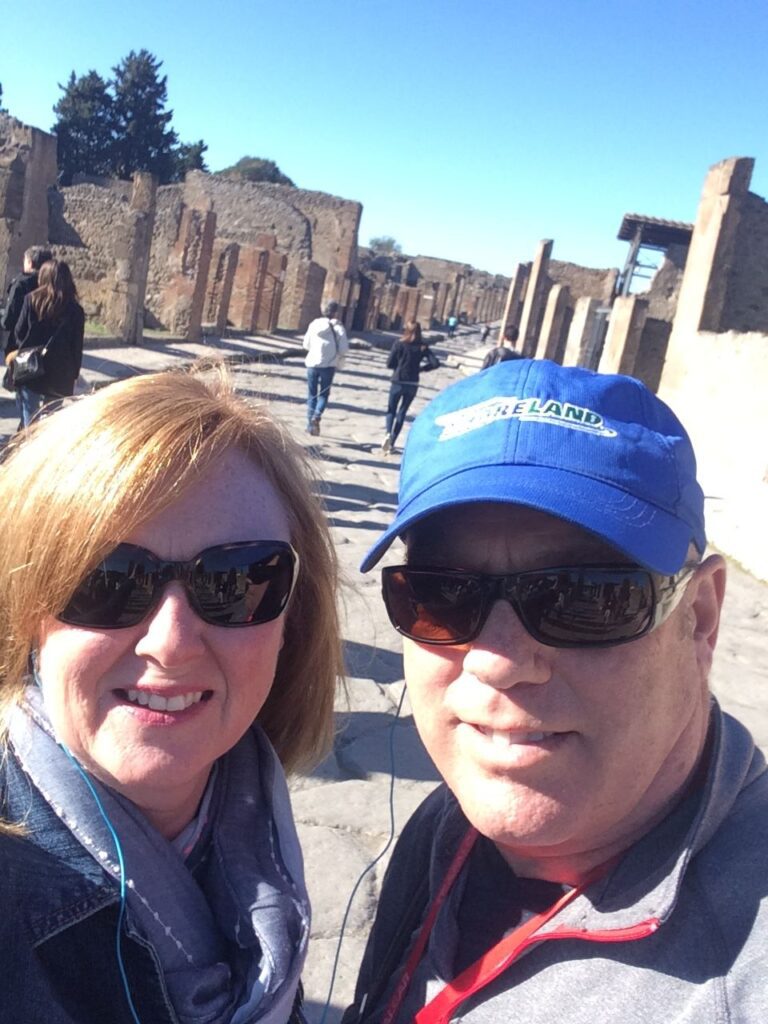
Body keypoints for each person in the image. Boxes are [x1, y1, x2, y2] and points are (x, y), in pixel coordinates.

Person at [347, 358, 767, 1022]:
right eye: (442, 594)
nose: (498, 661)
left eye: (585, 598)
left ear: (701, 617)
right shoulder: (447, 826)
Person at [0, 365, 344, 1024]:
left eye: (237, 580)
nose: (172, 643)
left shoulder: (246, 823)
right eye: (106, 580)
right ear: (25, 611)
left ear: (292, 622)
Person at [4, 258, 85, 428]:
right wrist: (75, 374)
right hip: (60, 373)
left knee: (30, 421)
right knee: (50, 422)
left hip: (31, 368)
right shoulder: (76, 310)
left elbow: (19, 332)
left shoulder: (31, 300)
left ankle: (28, 440)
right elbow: (77, 347)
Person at [380, 320, 437, 455]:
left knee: (391, 410)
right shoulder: (422, 347)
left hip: (398, 381)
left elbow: (389, 363)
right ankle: (392, 442)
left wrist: (398, 367)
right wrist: (421, 369)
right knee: (402, 412)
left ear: (406, 330)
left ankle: (388, 433)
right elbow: (435, 363)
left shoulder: (399, 344)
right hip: (412, 383)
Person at [302, 299, 349, 436]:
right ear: (336, 312)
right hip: (328, 365)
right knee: (323, 394)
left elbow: (305, 344)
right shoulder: (338, 328)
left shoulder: (314, 324)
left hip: (312, 364)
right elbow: (344, 349)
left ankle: (309, 425)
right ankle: (316, 416)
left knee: (312, 394)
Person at [0, 244, 53, 343]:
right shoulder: (53, 285)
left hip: (20, 344)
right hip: (46, 343)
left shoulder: (21, 284)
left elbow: (8, 321)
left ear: (30, 263)